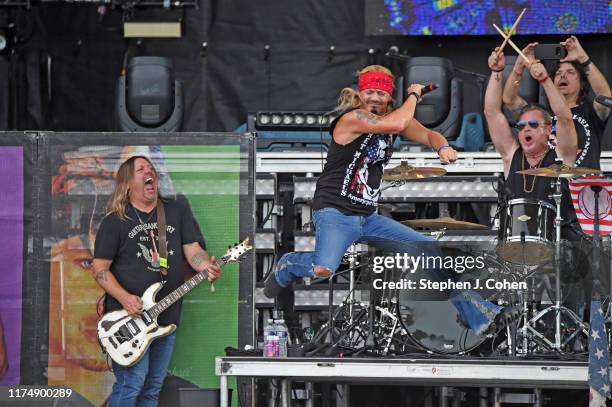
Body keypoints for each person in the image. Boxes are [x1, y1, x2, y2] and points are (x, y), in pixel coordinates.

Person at [264, 64, 517, 336]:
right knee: (324, 268)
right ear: (360, 95)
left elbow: (428, 133)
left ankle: (478, 314)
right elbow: (397, 122)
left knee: (425, 247)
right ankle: (288, 263)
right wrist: (415, 96)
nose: (375, 99)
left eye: (381, 94)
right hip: (336, 212)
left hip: (368, 216)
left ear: (389, 98)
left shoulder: (394, 121)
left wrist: (442, 146)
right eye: (370, 92)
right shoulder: (353, 118)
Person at [91, 155, 222, 407]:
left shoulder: (174, 211)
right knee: (131, 385)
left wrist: (205, 266)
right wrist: (125, 298)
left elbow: (192, 249)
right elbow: (99, 269)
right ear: (128, 183)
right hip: (128, 320)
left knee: (152, 389)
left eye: (151, 168)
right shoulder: (115, 221)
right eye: (141, 169)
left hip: (166, 317)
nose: (149, 172)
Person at [502, 37, 610, 169]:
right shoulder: (541, 115)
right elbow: (510, 100)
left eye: (570, 72)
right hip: (549, 186)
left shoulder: (591, 112)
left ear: (582, 84)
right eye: (558, 73)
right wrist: (519, 66)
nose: (563, 76)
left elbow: (604, 97)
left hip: (584, 187)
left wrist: (583, 58)